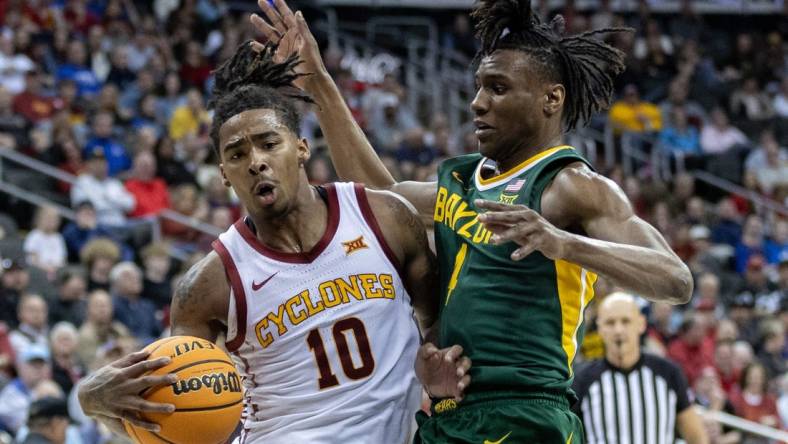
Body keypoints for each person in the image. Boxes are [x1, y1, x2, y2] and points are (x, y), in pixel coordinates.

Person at [252, 0, 692, 441]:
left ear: (551, 99)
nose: (477, 103)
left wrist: (562, 243)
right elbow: (377, 197)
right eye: (479, 87)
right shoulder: (462, 178)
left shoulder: (573, 186)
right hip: (450, 411)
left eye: (498, 88)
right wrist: (319, 83)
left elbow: (675, 279)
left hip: (525, 415)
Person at [77, 42, 466, 442]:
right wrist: (93, 399)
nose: (256, 161)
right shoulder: (211, 283)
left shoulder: (383, 216)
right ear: (224, 174)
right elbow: (168, 407)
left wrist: (434, 362)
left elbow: (435, 318)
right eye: (237, 153)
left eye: (268, 142)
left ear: (301, 148)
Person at [572, 293, 707, 444]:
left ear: (641, 324)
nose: (618, 330)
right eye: (610, 323)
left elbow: (697, 437)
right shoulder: (583, 379)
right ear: (600, 329)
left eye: (626, 321)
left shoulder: (668, 373)